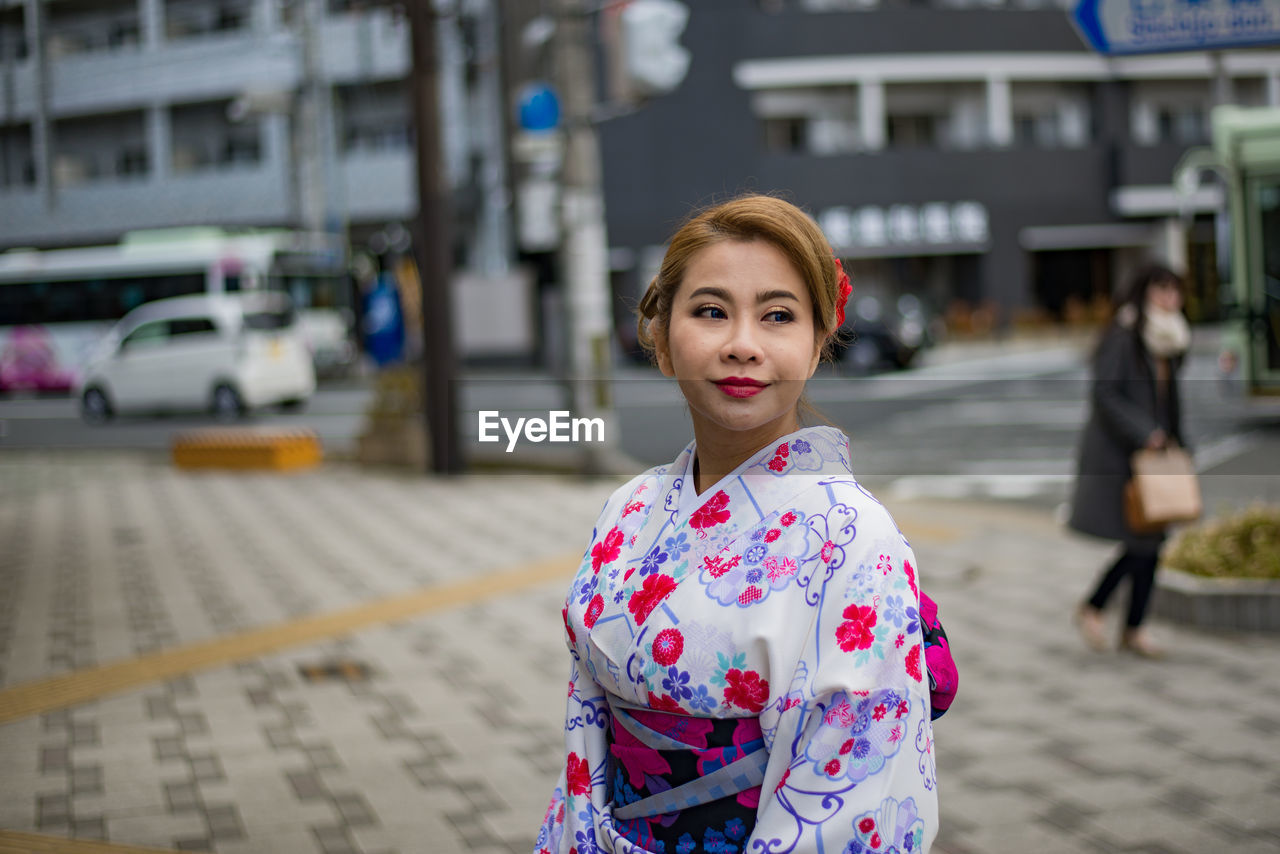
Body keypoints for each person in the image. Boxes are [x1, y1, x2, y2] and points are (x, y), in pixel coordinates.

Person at [534, 194, 954, 854]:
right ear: (663, 340)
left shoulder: (853, 537)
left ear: (817, 344)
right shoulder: (629, 508)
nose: (742, 345)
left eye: (778, 316)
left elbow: (849, 798)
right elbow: (587, 736)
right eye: (710, 312)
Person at [1069, 263, 1191, 658]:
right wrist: (1145, 433)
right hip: (1123, 455)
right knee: (1143, 542)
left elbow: (1168, 402)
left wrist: (1178, 443)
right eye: (1161, 290)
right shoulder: (1124, 336)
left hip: (1155, 457)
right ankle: (1103, 610)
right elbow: (1105, 394)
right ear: (1143, 292)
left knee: (1150, 541)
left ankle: (1124, 623)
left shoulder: (1168, 339)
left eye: (1174, 291)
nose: (1169, 298)